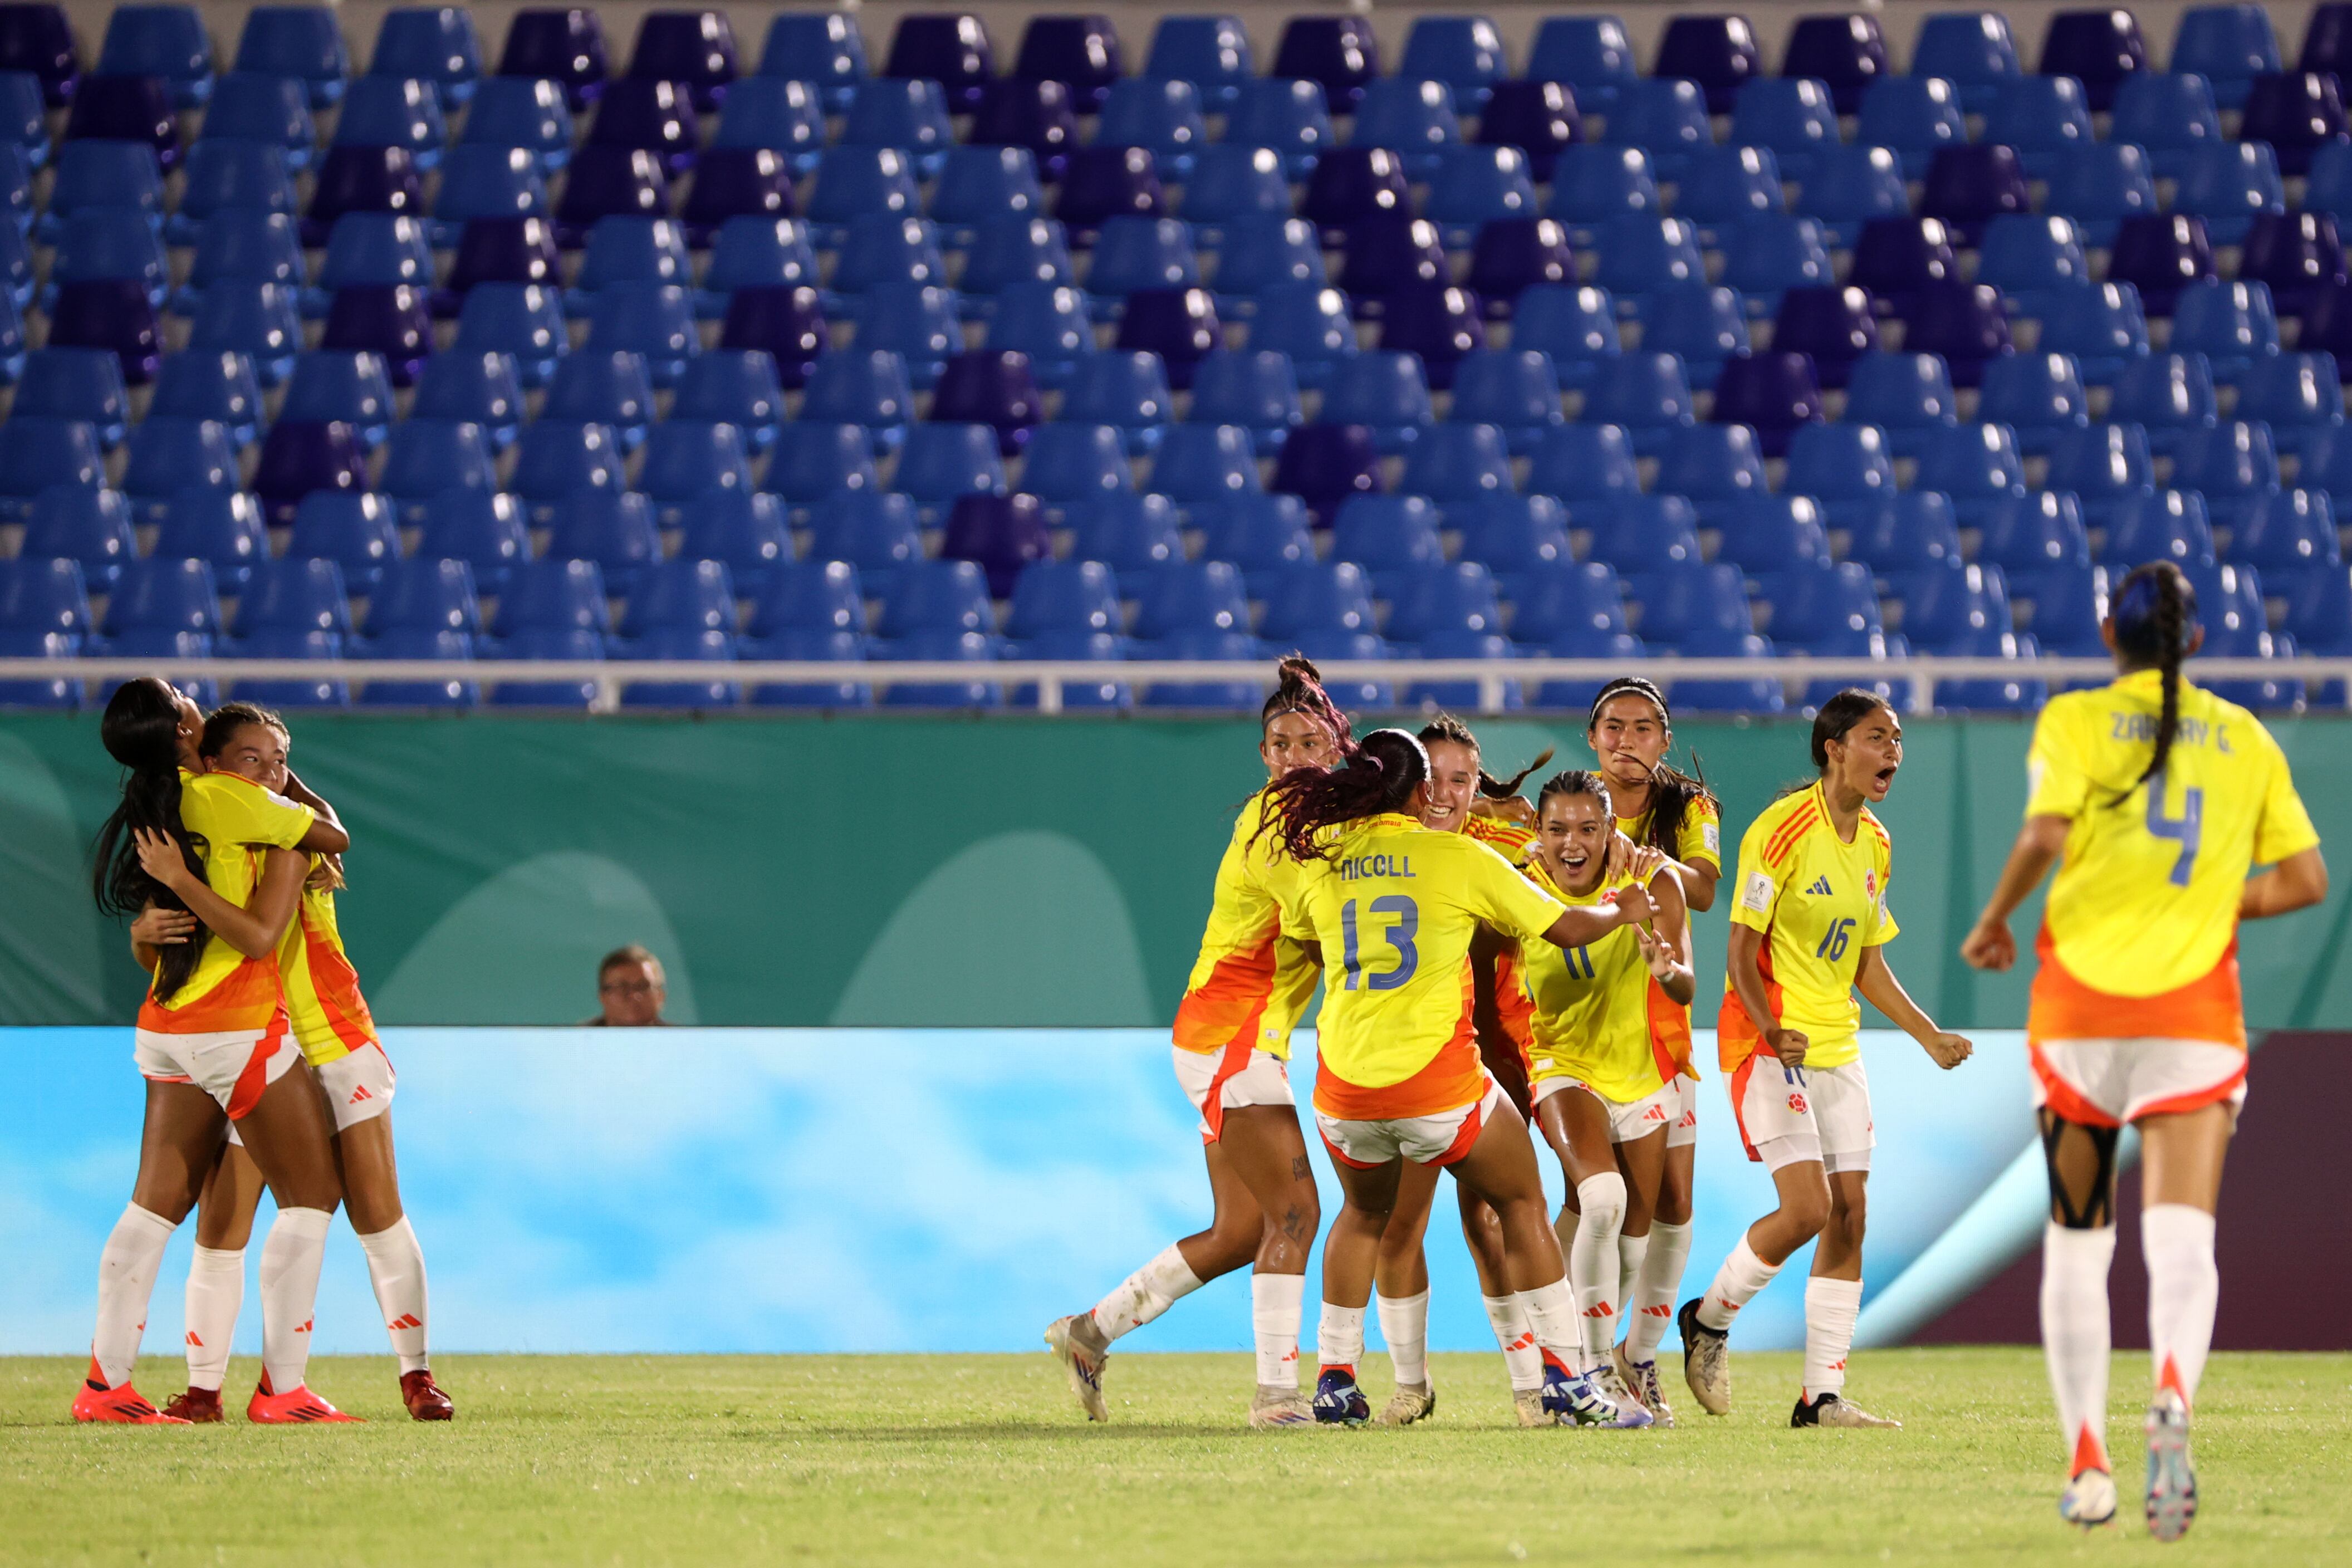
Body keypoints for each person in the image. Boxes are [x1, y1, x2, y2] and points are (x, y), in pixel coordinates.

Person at [1959, 562, 2326, 1539]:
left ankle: (2087, 1464)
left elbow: (2042, 831)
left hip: (2080, 1019)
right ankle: (2170, 1395)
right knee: (2180, 1237)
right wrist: (2216, 901)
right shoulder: (2244, 739)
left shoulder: (2073, 721)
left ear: (2102, 632)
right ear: (2195, 642)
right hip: (2191, 1020)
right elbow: (2304, 879)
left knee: (2078, 1237)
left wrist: (1994, 916)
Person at [1259, 727, 1656, 1429]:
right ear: (1417, 790)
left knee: (1361, 1216)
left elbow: (1300, 936)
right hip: (1436, 1080)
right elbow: (1562, 926)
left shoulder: (1323, 858)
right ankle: (1567, 1378)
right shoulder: (1455, 854)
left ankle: (1335, 1381)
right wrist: (1623, 907)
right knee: (1524, 1200)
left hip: (1344, 1088)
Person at [1045, 657, 1342, 1428]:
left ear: (1333, 750)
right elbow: (1329, 926)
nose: (1291, 756)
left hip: (1236, 1039)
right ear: (1263, 756)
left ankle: (1091, 1330)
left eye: (1308, 741)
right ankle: (1278, 1400)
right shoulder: (1277, 825)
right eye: (1278, 743)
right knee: (1298, 1213)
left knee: (1244, 1231)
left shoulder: (1318, 824)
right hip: (1229, 1038)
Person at [147, 703, 454, 1423]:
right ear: (214, 762)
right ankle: (209, 1390)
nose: (269, 771)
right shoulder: (209, 823)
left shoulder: (286, 830)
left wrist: (277, 779)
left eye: (278, 758)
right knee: (228, 1217)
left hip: (334, 1034)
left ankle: (415, 1375)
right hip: (255, 1038)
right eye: (249, 757)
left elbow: (322, 834)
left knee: (376, 1211)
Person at [1679, 690, 1973, 1430]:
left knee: (1851, 1214)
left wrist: (1928, 1035)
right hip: (1768, 1041)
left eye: (1899, 741)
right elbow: (1741, 952)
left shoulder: (1876, 842)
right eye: (1879, 739)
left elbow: (1868, 965)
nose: (1894, 754)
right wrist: (1771, 1027)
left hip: (1837, 1048)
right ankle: (1708, 1322)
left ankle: (1821, 1397)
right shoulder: (1781, 831)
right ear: (1834, 747)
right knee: (1808, 1207)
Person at [79, 677, 355, 1424]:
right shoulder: (225, 798)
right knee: (312, 1198)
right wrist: (283, 787)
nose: (194, 698)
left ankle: (106, 1388)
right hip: (235, 1030)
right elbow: (331, 838)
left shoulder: (152, 803)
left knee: (153, 1209)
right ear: (182, 731)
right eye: (181, 697)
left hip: (167, 1026)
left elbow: (162, 933)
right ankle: (283, 1392)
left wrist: (147, 925)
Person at [1364, 717, 1558, 1427]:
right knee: (1397, 1224)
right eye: (1433, 778)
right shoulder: (1375, 849)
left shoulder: (1508, 846)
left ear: (1478, 786)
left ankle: (1538, 1383)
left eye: (1461, 780)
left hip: (1499, 1053)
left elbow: (1572, 869)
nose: (1444, 793)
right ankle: (1411, 1384)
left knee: (1497, 1218)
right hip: (1413, 1057)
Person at [1518, 770, 1691, 1422]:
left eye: (1588, 827)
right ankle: (1585, 1373)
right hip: (1563, 1065)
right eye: (1557, 828)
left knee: (1632, 1241)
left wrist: (1666, 969)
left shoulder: (1655, 880)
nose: (1572, 842)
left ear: (1611, 830)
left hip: (1641, 1073)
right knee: (1602, 1197)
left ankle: (1590, 1362)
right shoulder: (1517, 885)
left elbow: (1685, 989)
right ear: (1537, 834)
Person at [1583, 677, 1722, 1423]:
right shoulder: (1571, 807)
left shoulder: (1686, 809)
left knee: (1672, 1202)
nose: (1627, 741)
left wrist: (1640, 857)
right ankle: (1580, 1356)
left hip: (1661, 1026)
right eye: (1613, 727)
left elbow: (1702, 889)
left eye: (1643, 729)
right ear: (1592, 737)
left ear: (1664, 741)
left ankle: (1638, 1357)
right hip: (1584, 1026)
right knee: (1596, 1198)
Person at [590, 945, 669, 1025]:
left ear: (660, 995)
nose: (634, 996)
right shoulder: (580, 1035)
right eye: (621, 987)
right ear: (602, 996)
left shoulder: (678, 1036)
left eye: (643, 987)